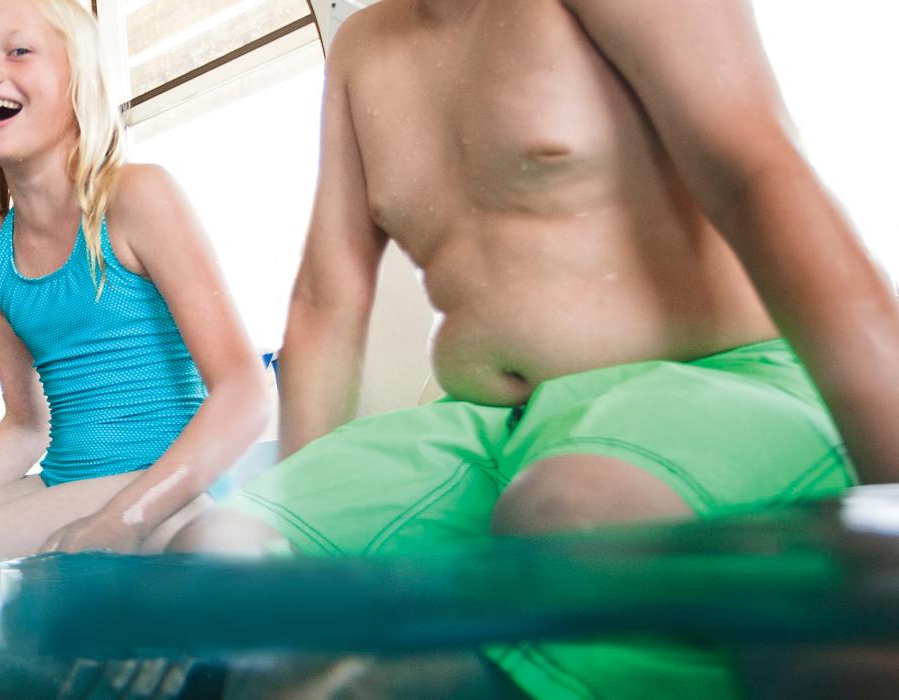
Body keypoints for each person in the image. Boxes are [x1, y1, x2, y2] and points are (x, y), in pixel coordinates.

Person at [170, 0, 899, 696]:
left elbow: (758, 177)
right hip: (491, 424)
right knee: (218, 554)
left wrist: (891, 476)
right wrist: (303, 511)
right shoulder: (362, 48)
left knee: (568, 513)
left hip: (716, 380)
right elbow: (328, 302)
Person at [0, 0, 273, 571]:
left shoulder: (136, 198)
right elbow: (26, 425)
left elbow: (244, 394)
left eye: (19, 51)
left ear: (76, 78)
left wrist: (123, 519)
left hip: (166, 483)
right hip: (64, 481)